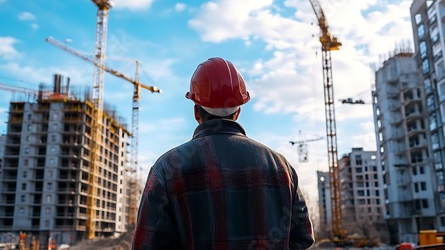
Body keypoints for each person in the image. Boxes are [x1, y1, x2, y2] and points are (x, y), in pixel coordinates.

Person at [132, 57, 314, 250]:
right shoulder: (281, 167)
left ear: (196, 112)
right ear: (238, 112)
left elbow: (147, 245)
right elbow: (302, 238)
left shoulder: (167, 168)